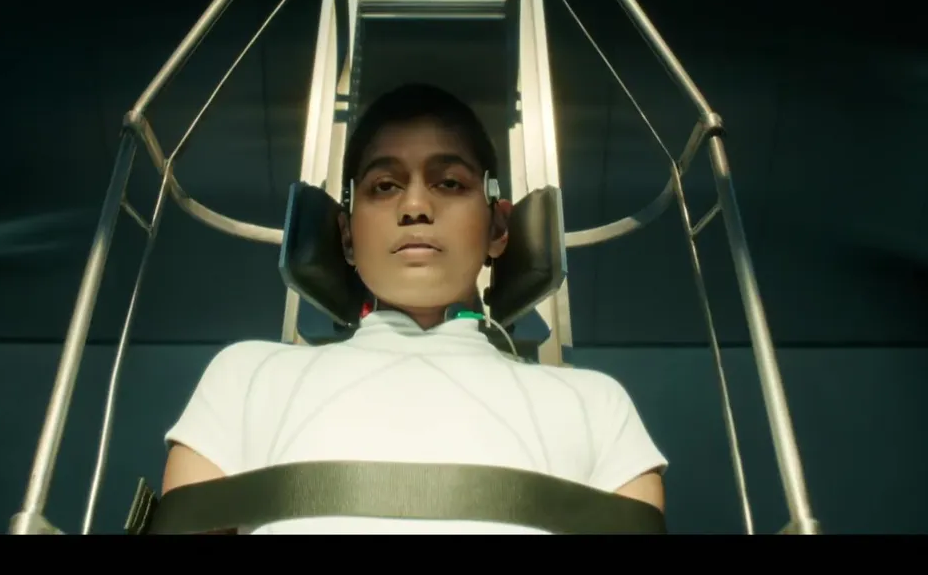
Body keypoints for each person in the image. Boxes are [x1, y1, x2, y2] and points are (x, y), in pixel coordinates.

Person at [161, 83, 667, 534]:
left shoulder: (595, 404)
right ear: (346, 235)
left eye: (449, 183)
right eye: (385, 186)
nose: (415, 207)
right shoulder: (247, 378)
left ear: (498, 227)